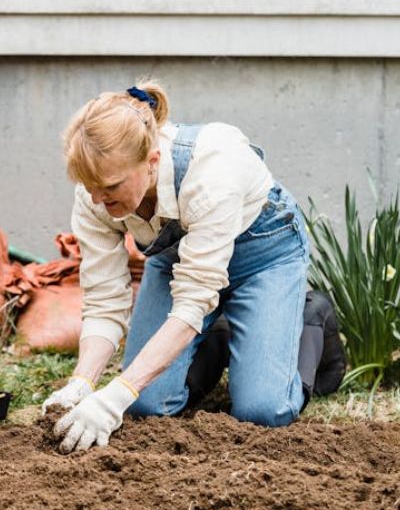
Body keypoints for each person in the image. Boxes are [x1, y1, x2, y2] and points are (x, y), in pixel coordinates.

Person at [42, 82, 342, 453]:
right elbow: (104, 300)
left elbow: (191, 304)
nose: (98, 200)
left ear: (151, 162)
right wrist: (83, 384)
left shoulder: (211, 171)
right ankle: (218, 333)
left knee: (264, 410)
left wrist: (114, 394)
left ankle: (310, 318)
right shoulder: (96, 196)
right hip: (181, 264)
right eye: (89, 187)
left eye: (110, 186)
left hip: (264, 256)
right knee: (145, 405)